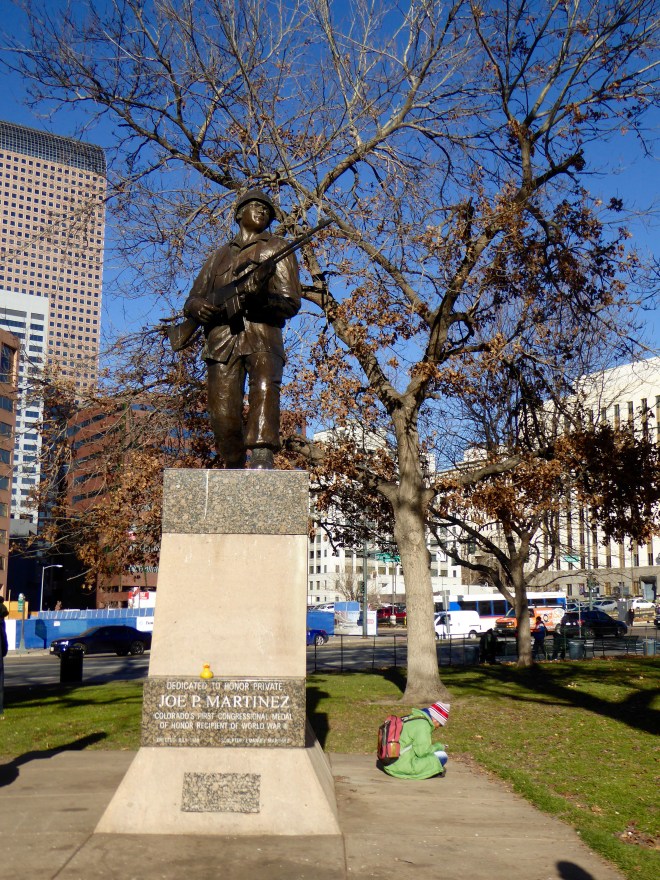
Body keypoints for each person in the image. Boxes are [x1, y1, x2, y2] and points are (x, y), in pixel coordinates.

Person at [183, 189, 302, 469]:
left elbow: (290, 301)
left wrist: (257, 299)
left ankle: (262, 454)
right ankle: (234, 462)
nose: (262, 211)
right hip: (222, 341)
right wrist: (196, 307)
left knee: (264, 389)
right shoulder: (218, 256)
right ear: (239, 214)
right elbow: (193, 297)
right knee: (222, 415)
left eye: (267, 209)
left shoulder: (277, 249)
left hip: (262, 335)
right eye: (255, 206)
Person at [382, 701, 450, 780]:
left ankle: (431, 769)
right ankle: (431, 771)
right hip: (400, 766)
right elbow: (422, 752)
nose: (438, 727)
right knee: (442, 756)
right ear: (435, 720)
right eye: (440, 725)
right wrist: (439, 746)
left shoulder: (413, 717)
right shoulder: (423, 725)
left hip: (389, 763)